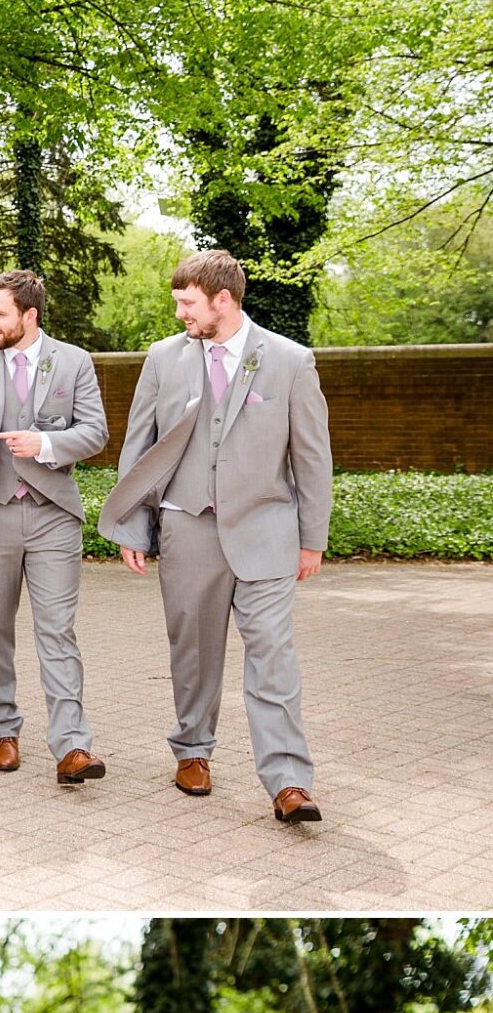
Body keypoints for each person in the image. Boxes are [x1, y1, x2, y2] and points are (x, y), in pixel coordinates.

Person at [97, 248, 333, 825]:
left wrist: (312, 538)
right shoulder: (163, 359)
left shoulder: (289, 361)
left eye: (187, 303)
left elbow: (312, 456)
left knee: (273, 657)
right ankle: (193, 751)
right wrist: (133, 521)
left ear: (221, 300)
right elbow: (142, 446)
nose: (180, 314)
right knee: (194, 653)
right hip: (186, 526)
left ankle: (288, 781)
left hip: (268, 532)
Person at [0, 271, 109, 785]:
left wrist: (46, 446)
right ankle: (4, 730)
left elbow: (95, 432)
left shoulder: (73, 361)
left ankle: (73, 745)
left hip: (54, 515)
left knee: (57, 630)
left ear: (29, 317)